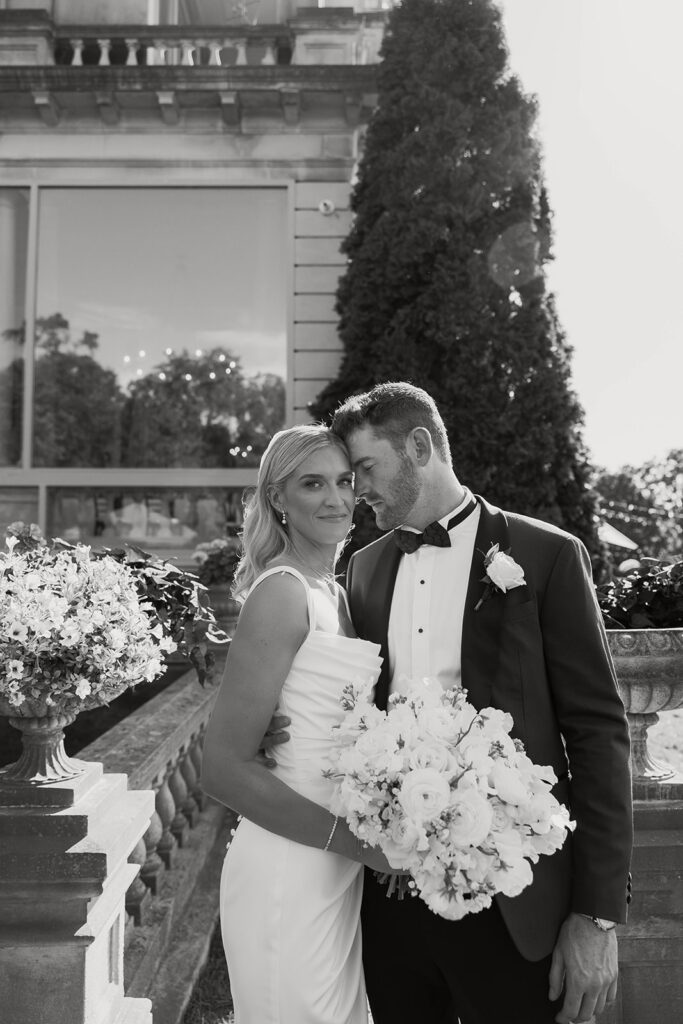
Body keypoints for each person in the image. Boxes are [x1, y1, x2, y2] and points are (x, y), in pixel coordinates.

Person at [331, 382, 633, 1024]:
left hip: (517, 900)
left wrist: (597, 913)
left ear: (419, 447)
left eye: (365, 468)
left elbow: (598, 733)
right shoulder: (362, 570)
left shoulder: (545, 555)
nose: (357, 490)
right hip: (393, 894)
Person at [201, 424, 394, 1024]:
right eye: (313, 484)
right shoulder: (283, 593)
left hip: (337, 861)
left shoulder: (337, 592)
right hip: (289, 859)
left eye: (344, 481)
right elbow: (222, 768)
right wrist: (360, 845)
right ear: (279, 499)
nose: (336, 499)